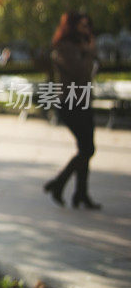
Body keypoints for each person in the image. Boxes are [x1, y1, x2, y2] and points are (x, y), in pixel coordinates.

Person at [43, 11, 101, 209]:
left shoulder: (82, 46)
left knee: (84, 149)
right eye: (83, 25)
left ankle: (80, 193)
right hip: (70, 103)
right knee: (87, 149)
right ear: (73, 26)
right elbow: (81, 71)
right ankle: (59, 184)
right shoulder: (65, 47)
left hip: (83, 100)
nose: (87, 29)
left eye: (88, 25)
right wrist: (90, 52)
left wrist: (89, 50)